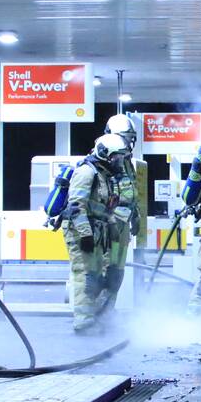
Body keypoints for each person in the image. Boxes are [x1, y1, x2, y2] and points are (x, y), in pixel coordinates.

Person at [63, 134, 127, 334]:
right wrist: (85, 235)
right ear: (105, 155)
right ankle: (83, 321)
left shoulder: (104, 176)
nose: (120, 162)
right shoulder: (86, 172)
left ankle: (96, 317)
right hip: (80, 232)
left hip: (95, 231)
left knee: (98, 276)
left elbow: (103, 208)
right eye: (117, 158)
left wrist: (113, 226)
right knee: (85, 275)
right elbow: (76, 207)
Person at [101, 114, 141, 314]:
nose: (129, 142)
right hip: (109, 225)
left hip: (123, 224)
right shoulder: (103, 159)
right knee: (105, 269)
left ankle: (108, 311)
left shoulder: (126, 162)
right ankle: (97, 313)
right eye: (126, 137)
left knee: (117, 271)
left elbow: (131, 192)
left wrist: (136, 216)